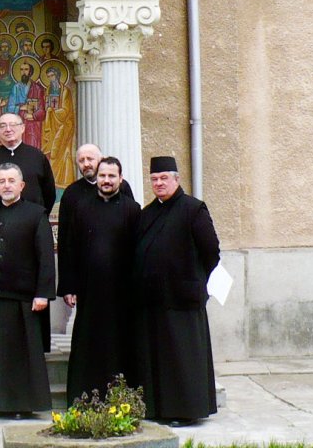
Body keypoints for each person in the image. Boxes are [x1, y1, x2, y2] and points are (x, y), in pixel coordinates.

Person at [132, 156, 220, 427]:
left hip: (182, 300)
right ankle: (157, 408)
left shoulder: (193, 209)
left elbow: (211, 252)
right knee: (158, 357)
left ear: (176, 179)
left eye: (164, 178)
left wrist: (193, 279)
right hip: (153, 301)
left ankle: (184, 410)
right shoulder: (147, 214)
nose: (159, 183)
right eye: (154, 179)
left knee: (182, 359)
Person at [0, 164, 54, 418]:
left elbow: (45, 257)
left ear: (21, 185)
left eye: (11, 181)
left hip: (24, 299)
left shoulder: (36, 214)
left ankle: (20, 405)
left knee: (19, 356)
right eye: (2, 181)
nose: (6, 185)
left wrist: (43, 293)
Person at [57, 156, 139, 405]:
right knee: (87, 344)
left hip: (121, 293)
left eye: (112, 176)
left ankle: (120, 397)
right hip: (89, 291)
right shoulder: (81, 207)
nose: (106, 180)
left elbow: (138, 252)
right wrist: (69, 286)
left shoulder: (132, 210)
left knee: (119, 344)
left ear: (120, 179)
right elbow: (70, 248)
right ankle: (83, 398)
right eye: (102, 176)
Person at [57, 144, 135, 259]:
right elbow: (65, 238)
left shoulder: (121, 187)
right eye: (81, 160)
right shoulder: (71, 193)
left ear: (101, 160)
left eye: (90, 159)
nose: (86, 164)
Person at [0, 113, 57, 209]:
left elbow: (49, 193)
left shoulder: (37, 156)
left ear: (22, 128)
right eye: (3, 126)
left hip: (32, 216)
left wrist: (40, 214)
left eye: (13, 125)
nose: (8, 129)